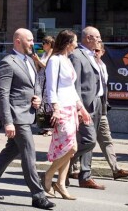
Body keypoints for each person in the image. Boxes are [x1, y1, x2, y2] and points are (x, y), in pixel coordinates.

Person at [0, 28, 55, 210]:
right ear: (18, 41)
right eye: (29, 40)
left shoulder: (29, 60)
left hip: (28, 113)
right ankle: (38, 195)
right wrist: (8, 121)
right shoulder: (7, 62)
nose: (33, 43)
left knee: (10, 150)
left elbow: (34, 84)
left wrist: (37, 97)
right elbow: (2, 93)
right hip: (17, 116)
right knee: (29, 153)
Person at [43, 30, 92, 200]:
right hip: (61, 108)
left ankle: (61, 184)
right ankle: (49, 175)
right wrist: (55, 107)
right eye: (75, 42)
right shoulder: (55, 60)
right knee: (72, 147)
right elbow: (50, 86)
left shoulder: (66, 60)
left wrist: (81, 108)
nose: (77, 45)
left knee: (69, 150)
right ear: (68, 43)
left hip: (70, 108)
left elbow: (70, 88)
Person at [68, 26, 106, 190]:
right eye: (97, 37)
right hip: (84, 104)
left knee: (90, 140)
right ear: (88, 38)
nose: (99, 40)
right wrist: (79, 107)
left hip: (97, 102)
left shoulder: (94, 56)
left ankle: (85, 176)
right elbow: (74, 84)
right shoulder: (77, 55)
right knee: (88, 140)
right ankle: (60, 163)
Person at [92, 42, 128, 181]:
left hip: (101, 109)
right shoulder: (88, 64)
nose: (95, 53)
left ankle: (116, 169)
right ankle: (73, 169)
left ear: (102, 52)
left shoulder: (103, 66)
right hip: (88, 110)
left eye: (97, 50)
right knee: (86, 143)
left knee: (107, 139)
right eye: (93, 50)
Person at [33, 36, 55, 137]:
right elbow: (39, 67)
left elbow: (47, 66)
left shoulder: (53, 55)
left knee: (48, 105)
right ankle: (43, 126)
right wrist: (36, 61)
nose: (43, 45)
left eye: (44, 43)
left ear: (49, 44)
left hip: (48, 81)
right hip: (41, 80)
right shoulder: (44, 54)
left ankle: (50, 128)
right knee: (41, 104)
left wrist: (38, 60)